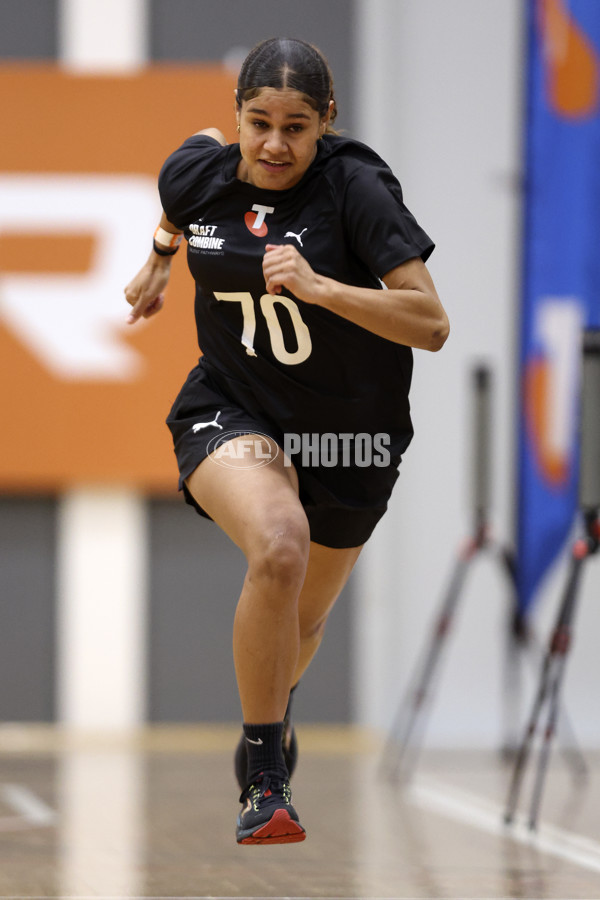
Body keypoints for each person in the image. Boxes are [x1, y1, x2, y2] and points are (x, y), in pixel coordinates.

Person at [124, 37, 449, 846]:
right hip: (233, 406)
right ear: (236, 115)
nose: (274, 144)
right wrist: (161, 261)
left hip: (350, 434)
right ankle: (267, 779)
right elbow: (177, 208)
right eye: (258, 122)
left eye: (296, 127)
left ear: (326, 122)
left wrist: (321, 286)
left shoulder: (358, 191)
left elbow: (431, 324)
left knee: (298, 625)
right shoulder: (199, 168)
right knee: (277, 543)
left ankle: (273, 708)